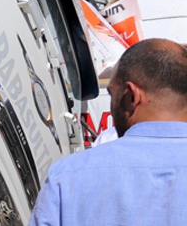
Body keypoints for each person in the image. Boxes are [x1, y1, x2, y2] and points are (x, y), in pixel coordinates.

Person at [30, 39, 187, 225]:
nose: (111, 106)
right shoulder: (67, 176)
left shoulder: (68, 177)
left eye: (112, 94)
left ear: (132, 96)